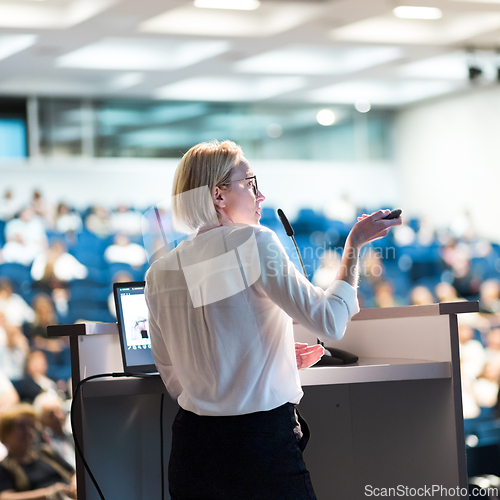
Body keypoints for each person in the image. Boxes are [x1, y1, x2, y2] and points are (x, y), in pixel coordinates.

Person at [145, 140, 401, 500]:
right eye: (250, 183)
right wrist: (353, 248)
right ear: (219, 196)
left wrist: (269, 358)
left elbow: (173, 371)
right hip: (258, 448)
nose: (260, 195)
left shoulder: (159, 272)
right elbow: (329, 322)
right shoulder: (254, 241)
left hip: (192, 449)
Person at [0, 404, 76, 500]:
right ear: (6, 433)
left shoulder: (46, 453)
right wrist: (48, 493)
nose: (28, 431)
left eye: (31, 426)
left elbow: (75, 473)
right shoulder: (5, 467)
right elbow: (5, 497)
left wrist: (75, 485)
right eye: (21, 426)